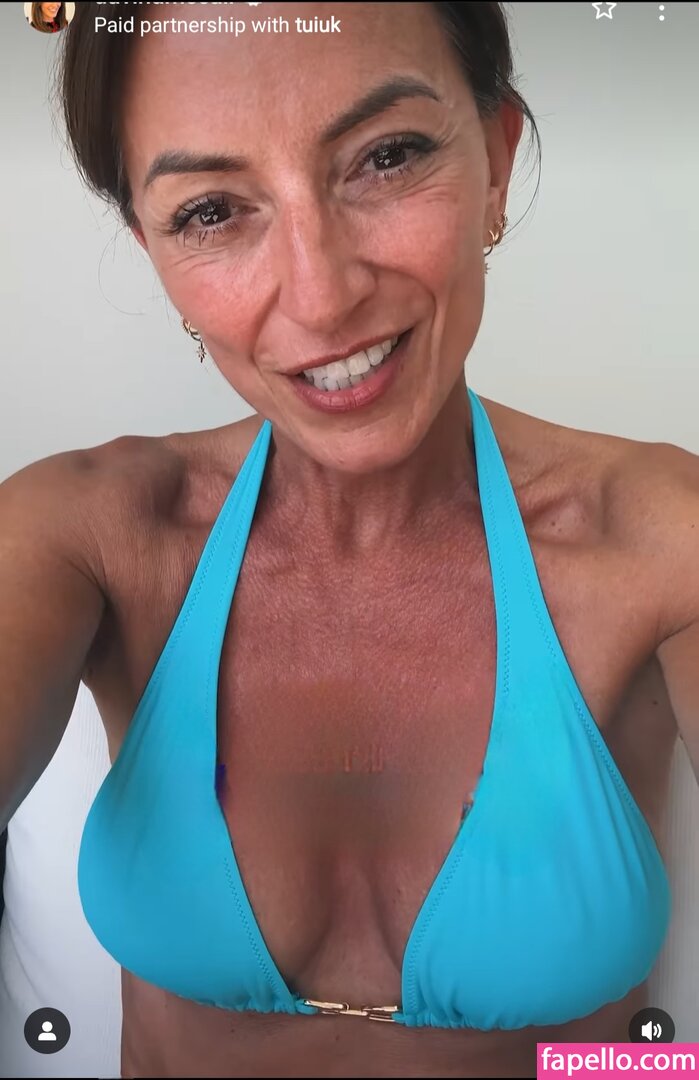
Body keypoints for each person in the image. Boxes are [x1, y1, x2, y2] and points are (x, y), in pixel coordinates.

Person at [1, 2, 697, 1078]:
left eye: (387, 156)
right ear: (152, 251)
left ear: (496, 160)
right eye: (212, 211)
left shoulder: (658, 536)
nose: (322, 297)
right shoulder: (86, 534)